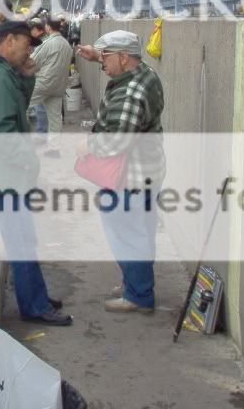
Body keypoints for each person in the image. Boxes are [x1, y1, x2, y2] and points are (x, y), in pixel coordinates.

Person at [0, 19, 72, 326]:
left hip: (1, 174)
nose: (30, 53)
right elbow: (1, 130)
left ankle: (36, 295)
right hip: (6, 176)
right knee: (21, 241)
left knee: (24, 238)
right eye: (27, 45)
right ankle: (34, 306)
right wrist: (29, 161)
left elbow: (12, 109)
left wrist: (25, 77)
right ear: (10, 40)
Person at [77, 30, 165, 314]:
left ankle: (138, 296)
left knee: (127, 232)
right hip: (150, 170)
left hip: (129, 178)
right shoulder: (146, 74)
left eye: (106, 56)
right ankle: (134, 282)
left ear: (124, 58)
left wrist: (86, 145)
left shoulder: (129, 93)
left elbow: (116, 141)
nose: (101, 61)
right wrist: (96, 56)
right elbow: (120, 67)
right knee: (142, 229)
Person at [28, 15, 74, 155]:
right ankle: (54, 149)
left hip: (43, 83)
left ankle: (20, 143)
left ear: (47, 27)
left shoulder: (47, 44)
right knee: (55, 118)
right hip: (59, 86)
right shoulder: (66, 44)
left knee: (21, 105)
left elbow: (32, 63)